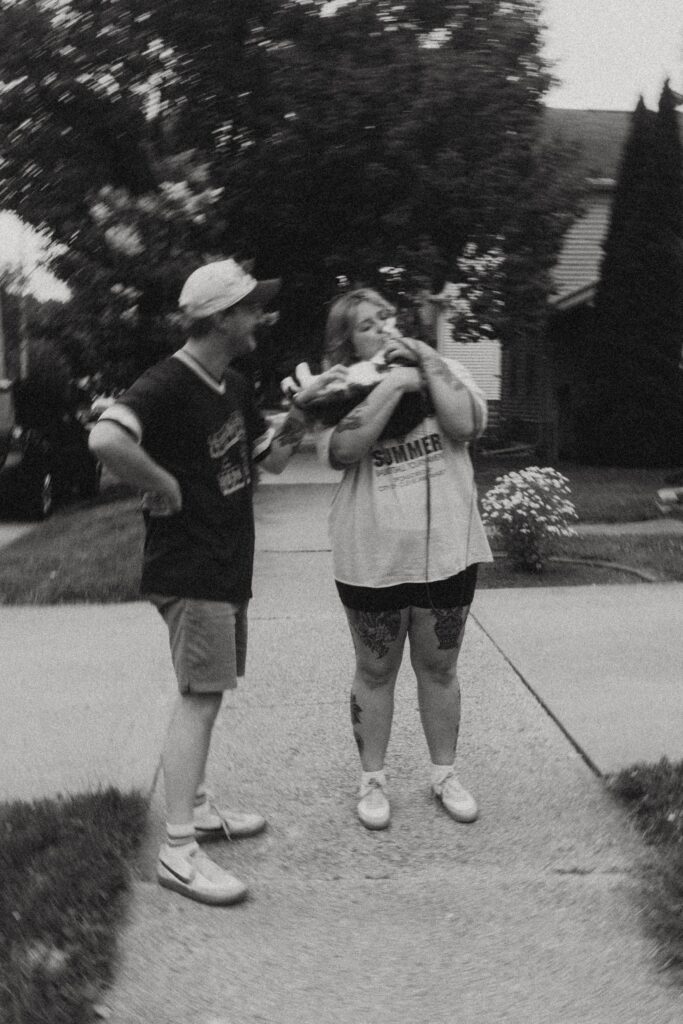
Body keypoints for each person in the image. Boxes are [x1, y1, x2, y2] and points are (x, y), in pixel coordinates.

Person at [89, 259, 315, 906]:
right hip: (189, 566)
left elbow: (264, 463)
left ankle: (200, 809)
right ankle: (178, 851)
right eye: (249, 307)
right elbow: (105, 438)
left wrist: (299, 421)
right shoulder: (165, 384)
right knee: (199, 696)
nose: (259, 317)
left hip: (224, 562)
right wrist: (162, 485)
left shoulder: (233, 385)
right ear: (220, 318)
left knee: (208, 694)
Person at [293, 287, 493, 831]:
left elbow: (466, 425)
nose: (384, 327)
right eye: (366, 324)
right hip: (371, 553)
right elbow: (341, 450)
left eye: (388, 317)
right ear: (346, 341)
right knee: (375, 670)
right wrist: (394, 384)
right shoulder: (333, 391)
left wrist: (423, 363)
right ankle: (372, 780)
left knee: (440, 668)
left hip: (446, 551)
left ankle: (444, 774)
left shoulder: (444, 369)